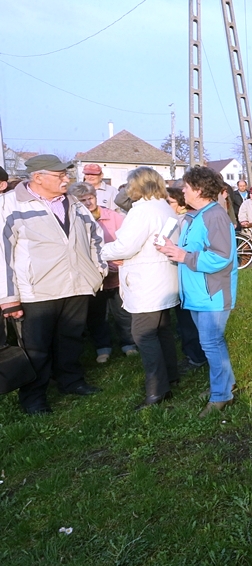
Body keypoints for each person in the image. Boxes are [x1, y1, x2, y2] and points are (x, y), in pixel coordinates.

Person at [0, 155, 107, 414]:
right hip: (38, 291)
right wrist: (8, 297)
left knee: (70, 339)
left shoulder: (74, 202)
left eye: (66, 175)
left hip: (77, 285)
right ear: (38, 178)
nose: (66, 179)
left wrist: (98, 271)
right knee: (37, 347)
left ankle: (71, 381)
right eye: (60, 176)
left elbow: (95, 235)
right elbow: (2, 253)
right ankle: (34, 397)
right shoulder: (10, 205)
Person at [156, 166, 238, 418]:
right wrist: (173, 248)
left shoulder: (214, 216)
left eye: (187, 186)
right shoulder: (198, 215)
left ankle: (221, 396)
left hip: (213, 293)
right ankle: (225, 385)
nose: (183, 190)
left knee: (211, 343)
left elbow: (221, 257)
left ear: (199, 190)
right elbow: (194, 248)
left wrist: (183, 256)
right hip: (198, 293)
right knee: (212, 343)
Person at [100, 167, 180, 409]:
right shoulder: (165, 207)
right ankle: (171, 376)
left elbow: (126, 246)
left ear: (137, 186)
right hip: (163, 276)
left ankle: (157, 390)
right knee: (162, 329)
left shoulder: (142, 211)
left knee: (143, 334)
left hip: (147, 280)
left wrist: (103, 251)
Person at [68, 181, 136, 363]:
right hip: (93, 277)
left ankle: (128, 343)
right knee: (97, 315)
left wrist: (115, 265)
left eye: (90, 198)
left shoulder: (114, 217)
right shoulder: (75, 219)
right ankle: (102, 347)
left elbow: (125, 242)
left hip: (117, 274)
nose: (88, 203)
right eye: (82, 200)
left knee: (123, 312)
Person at [166, 186, 207, 372]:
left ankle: (196, 356)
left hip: (188, 275)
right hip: (178, 275)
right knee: (184, 321)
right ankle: (192, 353)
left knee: (188, 320)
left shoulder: (186, 221)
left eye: (170, 202)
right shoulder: (171, 219)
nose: (167, 205)